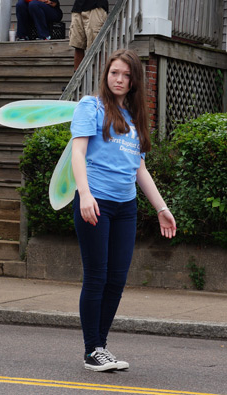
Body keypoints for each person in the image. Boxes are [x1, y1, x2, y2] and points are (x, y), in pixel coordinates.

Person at [70, 49, 176, 372]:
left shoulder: (132, 119)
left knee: (116, 280)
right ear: (106, 75)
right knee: (97, 277)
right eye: (115, 73)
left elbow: (139, 170)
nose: (119, 79)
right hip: (96, 203)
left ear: (133, 83)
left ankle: (100, 346)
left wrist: (161, 207)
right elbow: (78, 152)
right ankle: (92, 350)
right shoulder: (91, 107)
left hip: (126, 207)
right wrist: (85, 194)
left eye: (126, 76)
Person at [69, 0, 109, 70]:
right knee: (78, 46)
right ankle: (78, 79)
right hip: (78, 7)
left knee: (99, 47)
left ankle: (102, 78)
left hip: (96, 6)